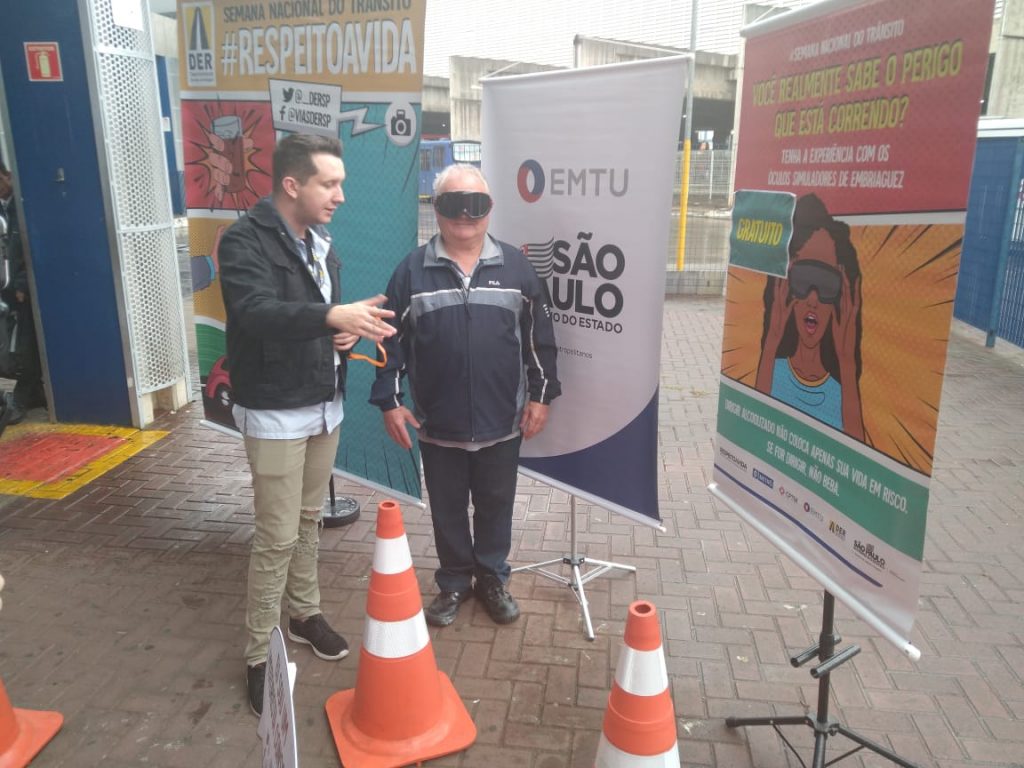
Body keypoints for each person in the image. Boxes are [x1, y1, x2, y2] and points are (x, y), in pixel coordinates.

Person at [217, 133, 396, 716]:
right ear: (292, 185)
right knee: (275, 535)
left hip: (324, 403)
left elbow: (320, 321)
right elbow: (256, 312)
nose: (340, 196)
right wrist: (329, 314)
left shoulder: (320, 241)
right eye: (329, 183)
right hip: (274, 410)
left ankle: (305, 613)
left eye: (341, 183)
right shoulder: (244, 239)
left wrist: (342, 333)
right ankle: (257, 655)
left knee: (308, 518)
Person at [371, 164, 561, 628]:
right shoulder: (411, 272)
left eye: (476, 205)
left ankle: (492, 578)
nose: (465, 215)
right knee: (448, 509)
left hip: (503, 422)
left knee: (497, 505)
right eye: (454, 204)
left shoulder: (517, 268)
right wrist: (391, 401)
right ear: (436, 209)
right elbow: (388, 344)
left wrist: (540, 396)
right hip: (439, 425)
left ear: (490, 210)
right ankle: (455, 581)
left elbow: (540, 341)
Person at [755, 193, 864, 440]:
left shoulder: (841, 392)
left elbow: (855, 453)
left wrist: (847, 365)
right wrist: (772, 340)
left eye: (826, 283)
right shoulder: (774, 369)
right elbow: (757, 424)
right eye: (804, 279)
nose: (812, 300)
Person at [0, 160, 46, 423]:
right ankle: (36, 393)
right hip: (7, 286)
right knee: (17, 341)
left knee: (25, 343)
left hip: (21, 287)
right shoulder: (4, 206)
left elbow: (25, 246)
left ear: (7, 176)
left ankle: (20, 397)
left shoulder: (22, 204)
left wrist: (20, 283)